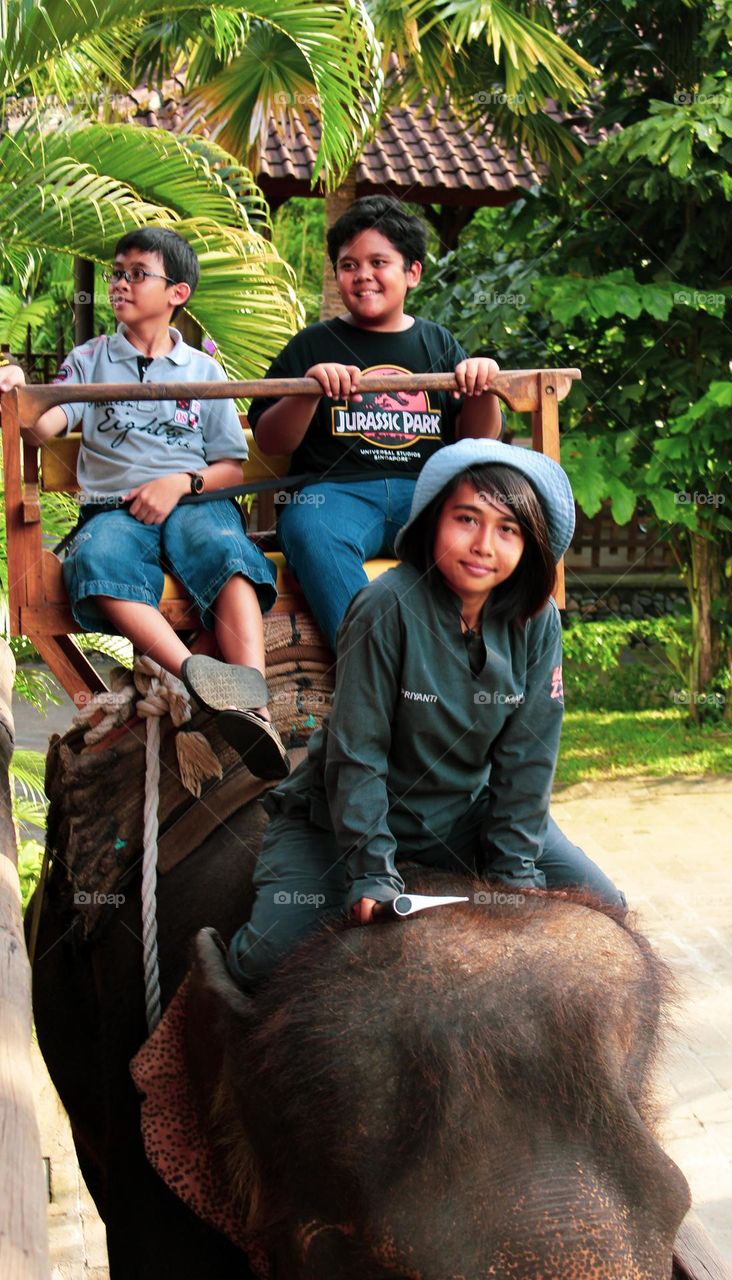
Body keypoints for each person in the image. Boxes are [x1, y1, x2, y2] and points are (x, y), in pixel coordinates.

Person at [227, 437, 624, 988]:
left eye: (507, 529)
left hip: (467, 816)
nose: (484, 544)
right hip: (337, 820)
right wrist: (371, 874)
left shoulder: (537, 624)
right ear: (435, 520)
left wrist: (515, 876)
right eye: (468, 518)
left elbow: (527, 760)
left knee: (606, 911)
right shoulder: (384, 605)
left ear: (529, 545)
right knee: (267, 960)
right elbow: (357, 752)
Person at [19, 227, 287, 777]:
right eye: (117, 273)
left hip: (194, 501)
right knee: (95, 562)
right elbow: (44, 425)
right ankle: (194, 673)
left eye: (137, 274)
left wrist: (179, 485)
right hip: (113, 508)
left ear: (177, 293)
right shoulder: (90, 359)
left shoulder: (203, 371)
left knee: (225, 550)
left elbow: (230, 469)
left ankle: (255, 706)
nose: (119, 284)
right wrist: (20, 395)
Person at [249, 195, 502, 650]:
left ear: (412, 273)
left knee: (486, 530)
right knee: (310, 529)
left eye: (378, 262)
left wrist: (483, 387)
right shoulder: (312, 344)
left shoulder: (438, 342)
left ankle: (468, 662)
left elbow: (477, 440)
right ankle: (373, 670)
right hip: (334, 494)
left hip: (425, 496)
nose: (362, 275)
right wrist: (308, 391)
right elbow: (270, 441)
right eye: (348, 265)